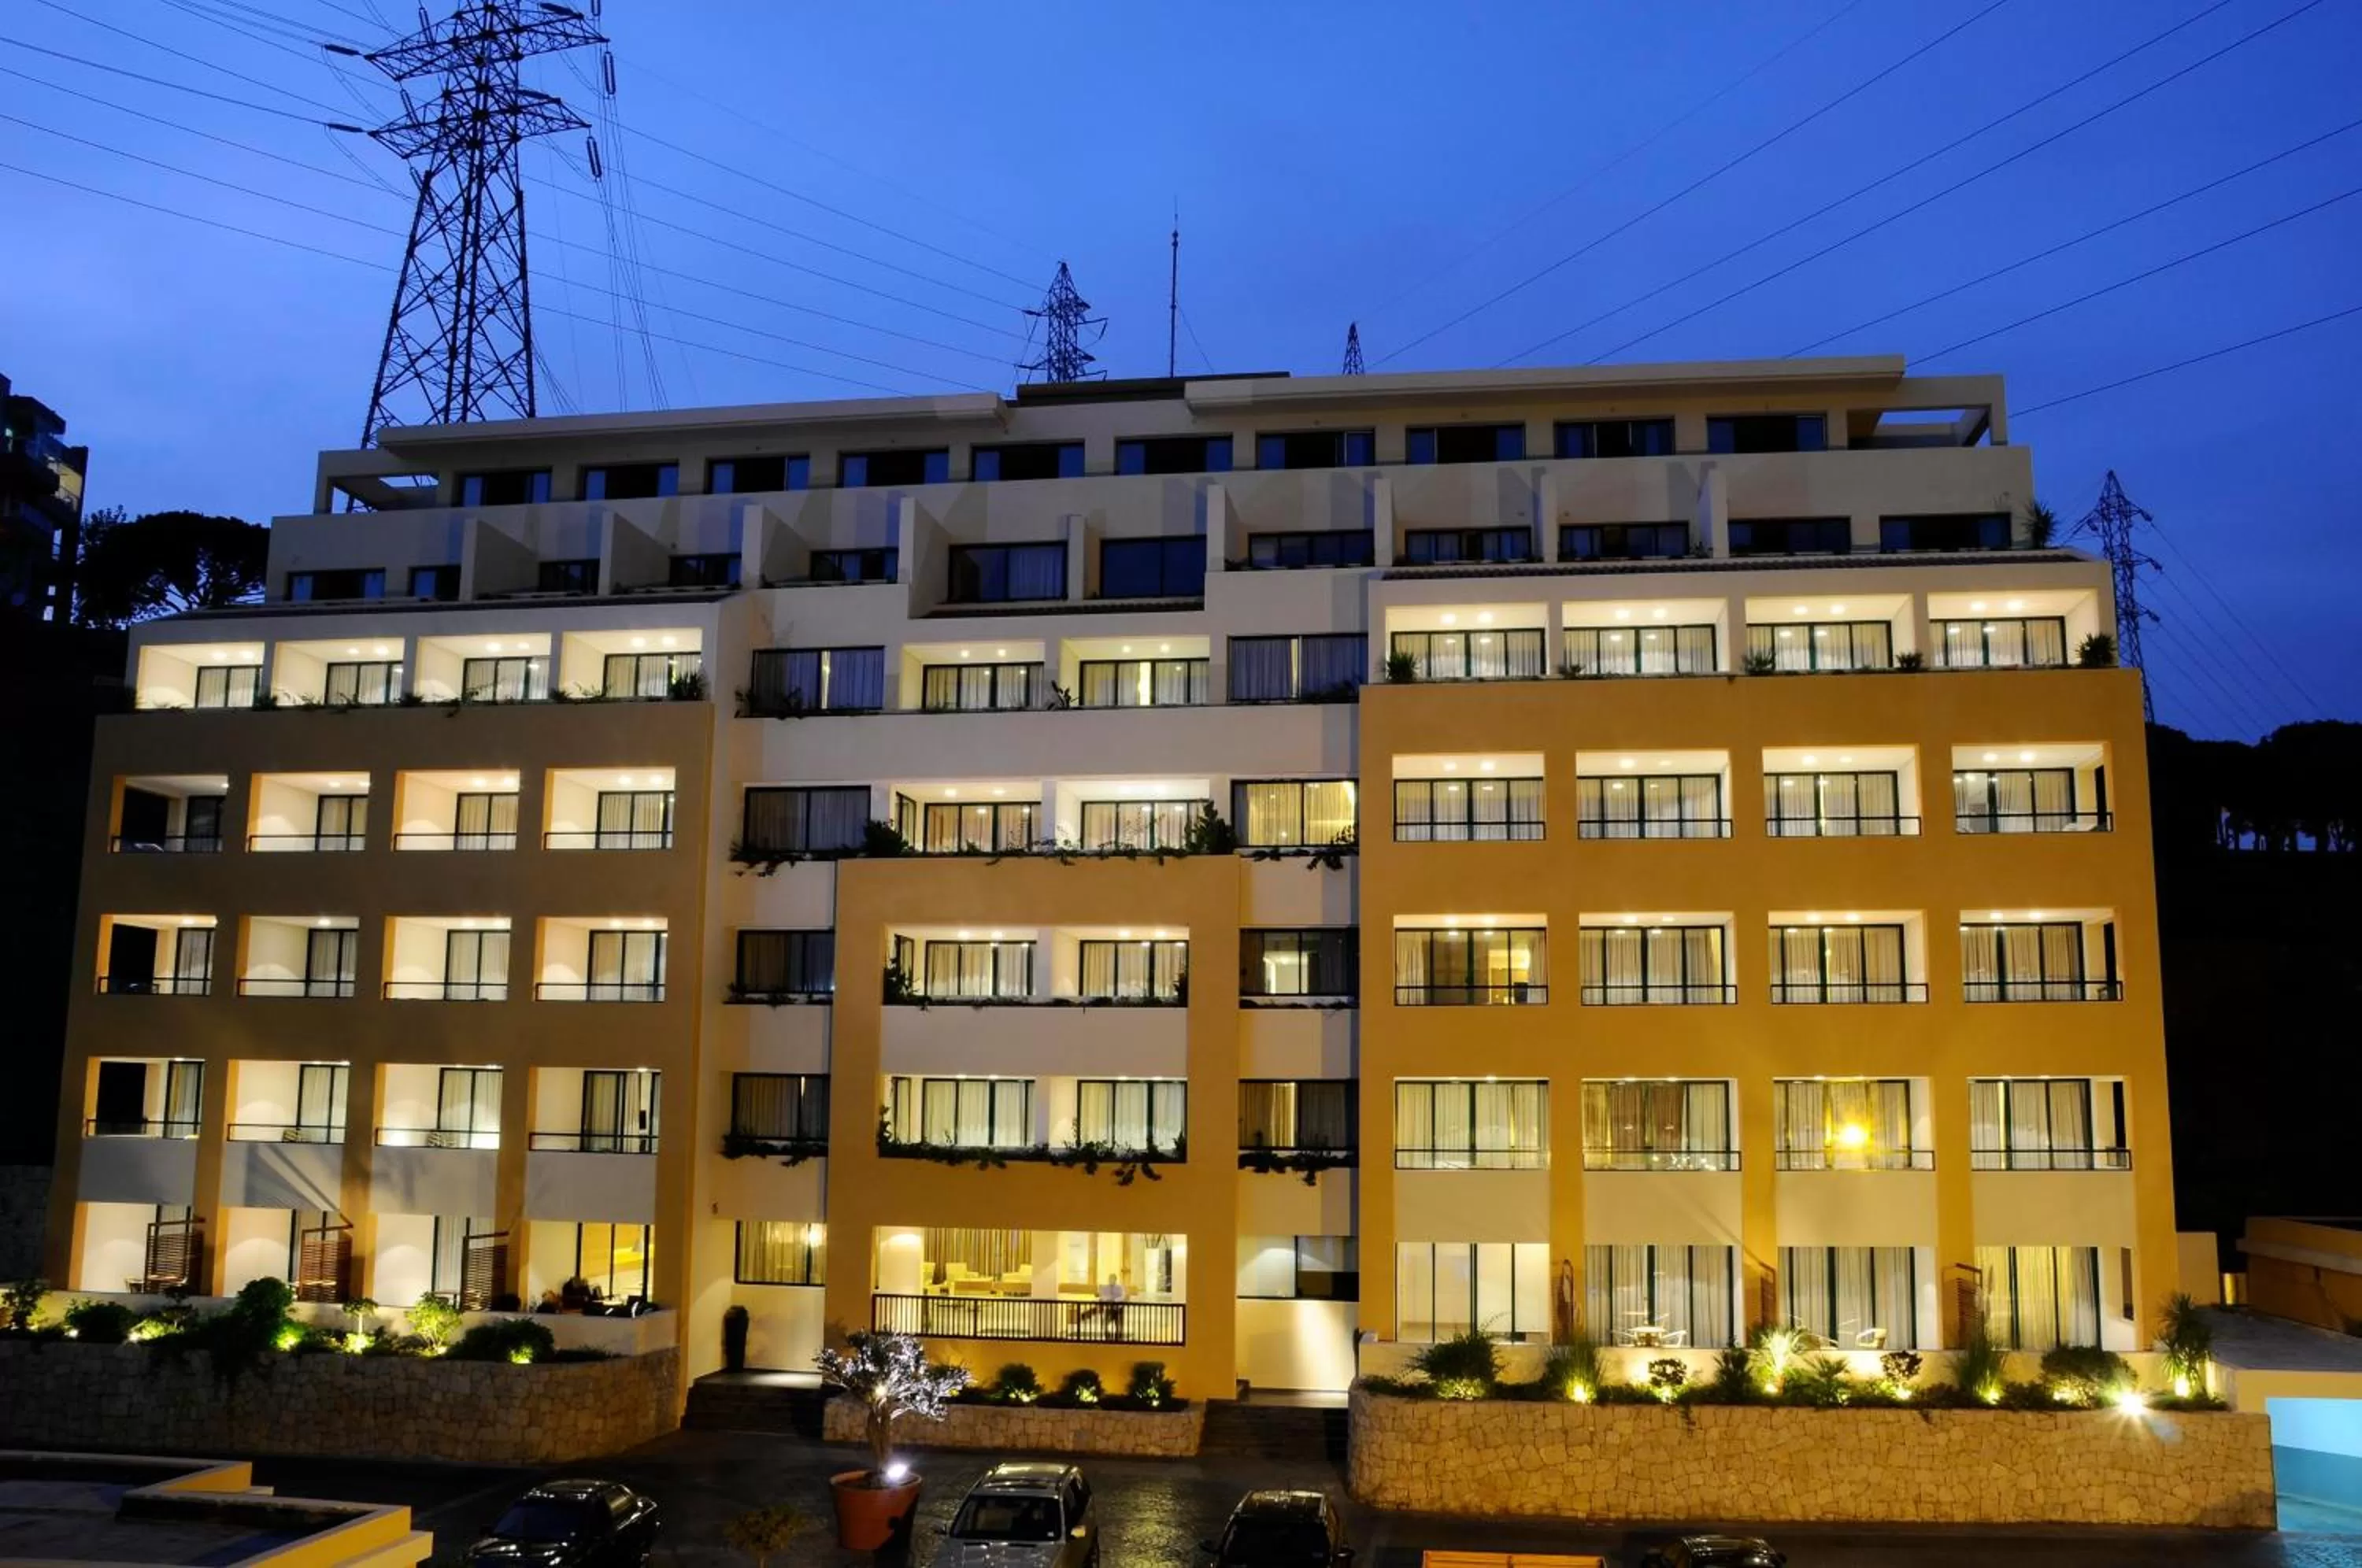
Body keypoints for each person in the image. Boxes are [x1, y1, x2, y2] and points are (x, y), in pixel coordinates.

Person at [1096, 1273, 1127, 1339]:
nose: (1111, 1280)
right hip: (1109, 1308)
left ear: (1115, 1280)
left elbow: (1123, 1296)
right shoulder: (1106, 1287)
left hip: (1118, 1308)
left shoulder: (1120, 1287)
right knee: (1105, 1323)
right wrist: (1104, 1298)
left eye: (1113, 1279)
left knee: (1119, 1324)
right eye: (1110, 1279)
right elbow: (1102, 1296)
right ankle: (1107, 1335)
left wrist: (1115, 1300)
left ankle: (1118, 1337)